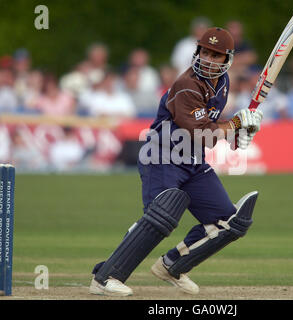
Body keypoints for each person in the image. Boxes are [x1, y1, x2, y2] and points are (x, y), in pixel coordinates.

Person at [89, 27, 263, 296]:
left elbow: (209, 133)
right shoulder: (186, 85)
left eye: (216, 55)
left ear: (227, 59)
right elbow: (199, 130)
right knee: (161, 217)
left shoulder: (223, 82)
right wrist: (236, 123)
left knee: (229, 223)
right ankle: (105, 276)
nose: (208, 58)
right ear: (197, 51)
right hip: (162, 157)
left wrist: (237, 136)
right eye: (205, 51)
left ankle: (172, 265)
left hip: (193, 161)